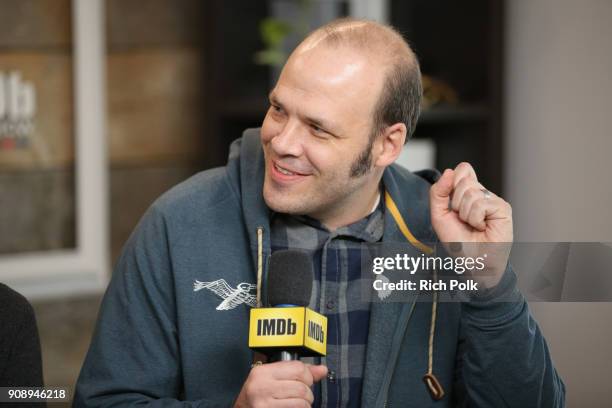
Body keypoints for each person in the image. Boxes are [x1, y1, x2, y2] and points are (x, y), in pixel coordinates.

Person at [74, 18, 565, 407]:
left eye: (318, 129)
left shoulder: (441, 239)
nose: (282, 142)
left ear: (386, 144)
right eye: (278, 109)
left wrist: (489, 285)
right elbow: (105, 402)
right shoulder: (177, 225)